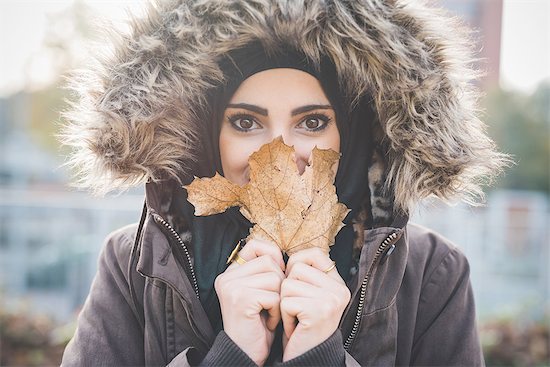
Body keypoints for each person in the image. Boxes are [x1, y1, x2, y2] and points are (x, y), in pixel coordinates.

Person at [60, 0, 508, 366]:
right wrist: (231, 356)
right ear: (208, 137)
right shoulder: (133, 263)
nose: (279, 148)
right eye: (245, 121)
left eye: (312, 122)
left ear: (352, 137)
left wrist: (322, 358)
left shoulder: (433, 272)